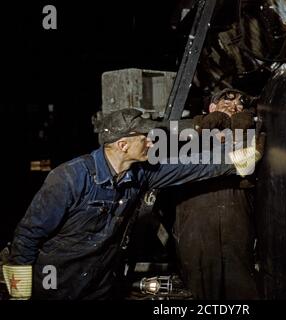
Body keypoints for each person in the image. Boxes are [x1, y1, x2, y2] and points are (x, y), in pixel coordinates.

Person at [4, 108, 261, 300]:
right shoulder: (69, 178)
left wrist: (243, 159)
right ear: (123, 144)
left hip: (101, 285)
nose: (151, 142)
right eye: (145, 137)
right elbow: (27, 236)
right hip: (56, 285)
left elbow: (192, 167)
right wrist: (20, 296)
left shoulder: (140, 174)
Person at [172, 88, 261, 299]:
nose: (234, 107)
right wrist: (208, 128)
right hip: (197, 219)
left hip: (235, 217)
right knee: (200, 285)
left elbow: (247, 166)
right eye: (226, 104)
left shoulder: (250, 132)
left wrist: (239, 131)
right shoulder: (188, 131)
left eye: (239, 105)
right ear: (212, 107)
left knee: (241, 283)